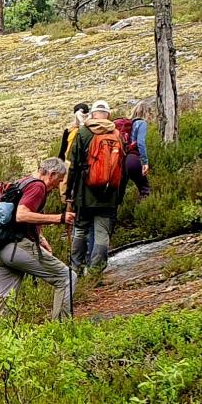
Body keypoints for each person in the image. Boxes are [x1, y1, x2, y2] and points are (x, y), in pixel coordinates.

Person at [0, 158, 76, 340]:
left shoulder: (23, 181)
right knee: (66, 278)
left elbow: (16, 216)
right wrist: (59, 218)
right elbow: (21, 215)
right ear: (51, 174)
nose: (56, 187)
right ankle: (61, 334)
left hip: (0, 249)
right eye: (58, 182)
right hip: (17, 248)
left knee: (3, 301)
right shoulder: (38, 187)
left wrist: (40, 238)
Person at [67, 101, 128, 279]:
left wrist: (69, 192)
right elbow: (122, 169)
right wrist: (119, 195)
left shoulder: (83, 132)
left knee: (80, 230)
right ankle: (95, 273)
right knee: (102, 233)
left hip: (84, 194)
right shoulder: (117, 134)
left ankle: (76, 269)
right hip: (109, 195)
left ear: (92, 114)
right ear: (108, 115)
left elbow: (74, 165)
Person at [119, 101, 154, 197]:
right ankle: (145, 210)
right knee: (144, 189)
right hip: (133, 158)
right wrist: (145, 162)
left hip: (122, 160)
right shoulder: (141, 123)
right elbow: (140, 143)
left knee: (120, 192)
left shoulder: (129, 124)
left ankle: (115, 211)